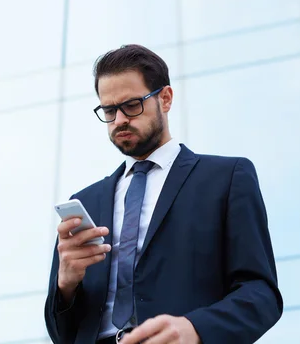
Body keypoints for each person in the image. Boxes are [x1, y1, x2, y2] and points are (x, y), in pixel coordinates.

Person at [44, 44, 283, 344]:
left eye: (132, 105)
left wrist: (196, 329)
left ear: (165, 99)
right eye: (109, 110)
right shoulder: (85, 203)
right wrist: (66, 285)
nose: (119, 120)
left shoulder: (227, 178)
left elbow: (261, 295)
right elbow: (62, 335)